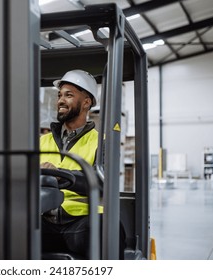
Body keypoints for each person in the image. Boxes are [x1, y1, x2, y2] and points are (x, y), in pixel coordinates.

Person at [39, 69, 124, 259]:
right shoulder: (42, 141)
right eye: (60, 95)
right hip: (43, 220)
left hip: (79, 223)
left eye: (69, 95)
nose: (60, 100)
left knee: (108, 227)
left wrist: (59, 175)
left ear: (87, 102)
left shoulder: (102, 142)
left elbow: (103, 183)